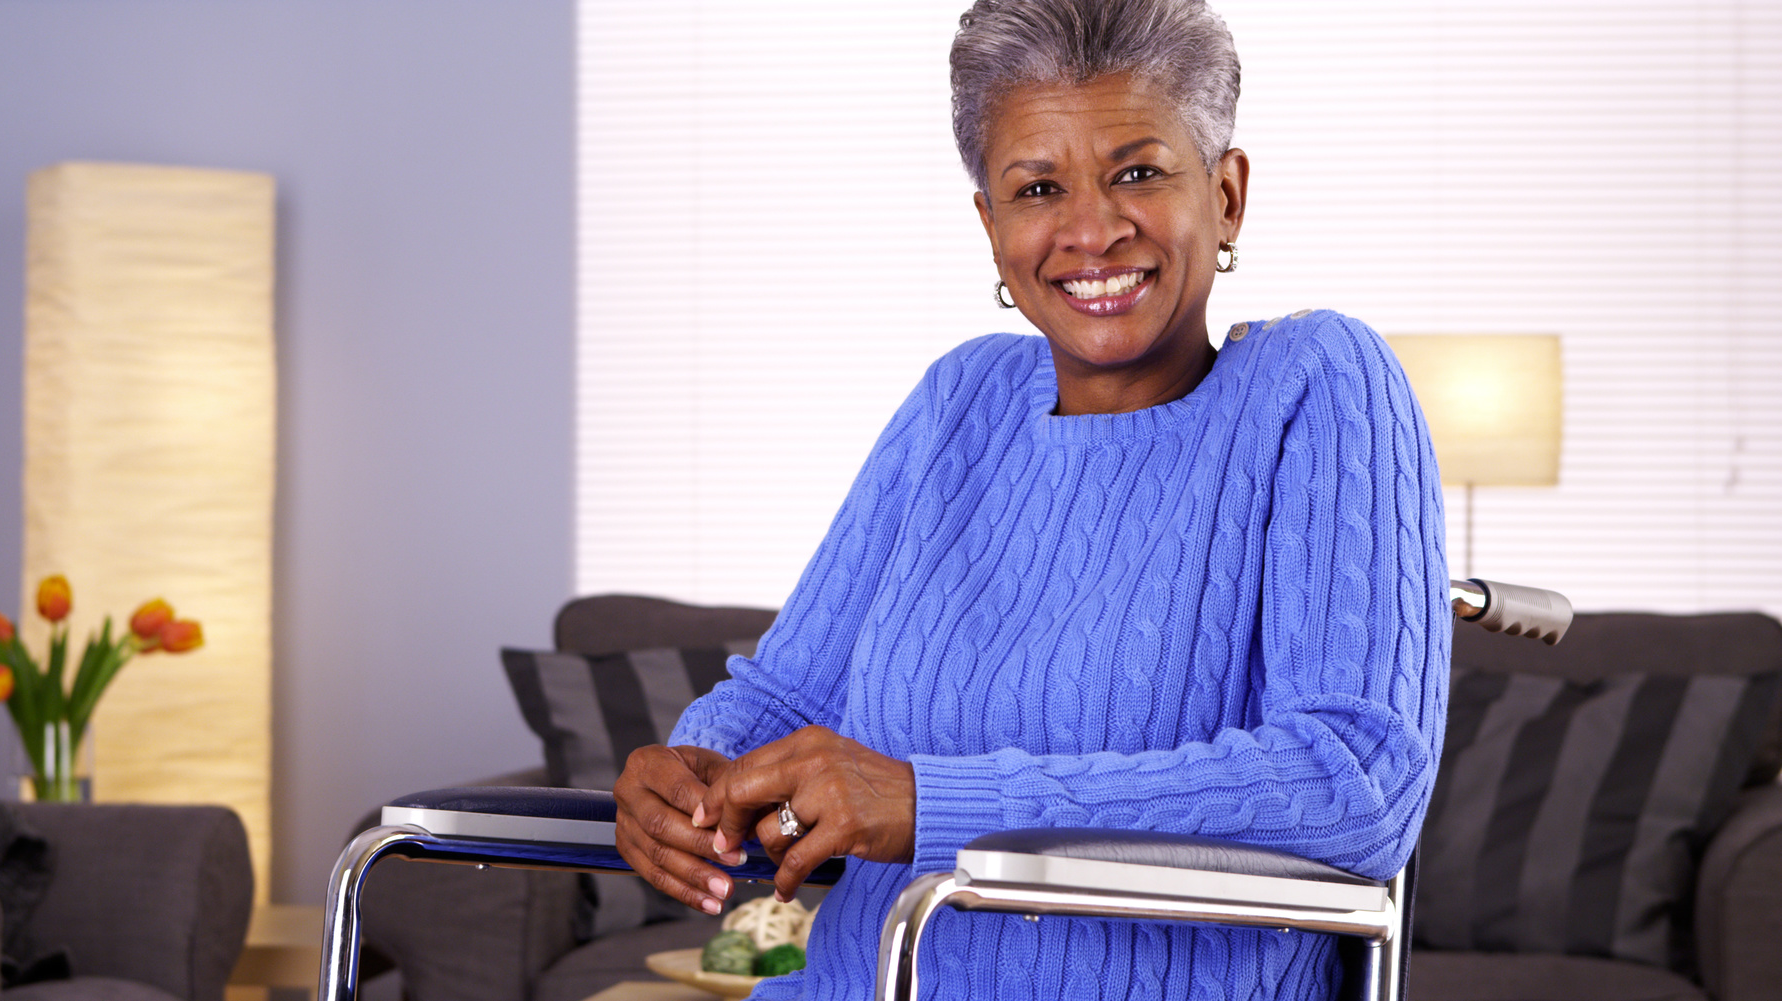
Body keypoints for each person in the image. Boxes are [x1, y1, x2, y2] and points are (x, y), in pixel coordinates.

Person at [613, 0, 1451, 997]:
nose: (1089, 230)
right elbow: (787, 695)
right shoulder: (961, 399)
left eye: (1137, 171)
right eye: (1037, 187)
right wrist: (693, 769)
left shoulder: (1315, 383)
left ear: (1224, 195)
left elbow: (1355, 781)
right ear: (989, 223)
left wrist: (930, 803)